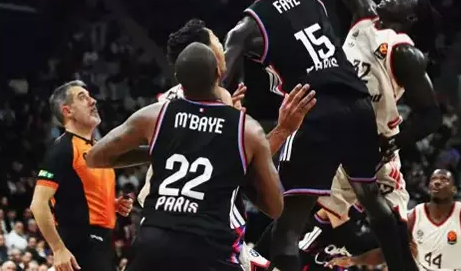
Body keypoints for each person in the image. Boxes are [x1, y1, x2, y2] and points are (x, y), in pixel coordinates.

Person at [227, 0, 417, 271]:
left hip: (315, 109)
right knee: (373, 200)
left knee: (287, 226)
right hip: (357, 103)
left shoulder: (246, 28)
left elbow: (223, 79)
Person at [85, 43, 317, 269]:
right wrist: (280, 133)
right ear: (218, 74)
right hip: (210, 246)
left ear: (178, 78)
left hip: (154, 243)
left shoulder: (155, 115)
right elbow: (275, 207)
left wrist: (158, 152)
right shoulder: (246, 129)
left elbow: (95, 157)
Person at [137, 18, 270, 270]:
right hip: (200, 220)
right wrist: (284, 129)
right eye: (217, 41)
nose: (223, 46)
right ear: (205, 53)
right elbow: (243, 169)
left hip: (163, 213)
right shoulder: (213, 101)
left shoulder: (177, 98)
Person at [30, 81, 134, 271]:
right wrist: (58, 249)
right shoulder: (62, 149)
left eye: (90, 96)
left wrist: (112, 204)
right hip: (81, 245)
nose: (93, 101)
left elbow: (80, 194)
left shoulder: (97, 148)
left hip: (103, 243)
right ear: (67, 111)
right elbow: (38, 203)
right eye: (82, 97)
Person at [328, 169, 461, 271]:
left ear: (454, 190)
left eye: (444, 179)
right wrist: (354, 260)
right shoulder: (414, 216)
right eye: (434, 179)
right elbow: (389, 252)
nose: (437, 182)